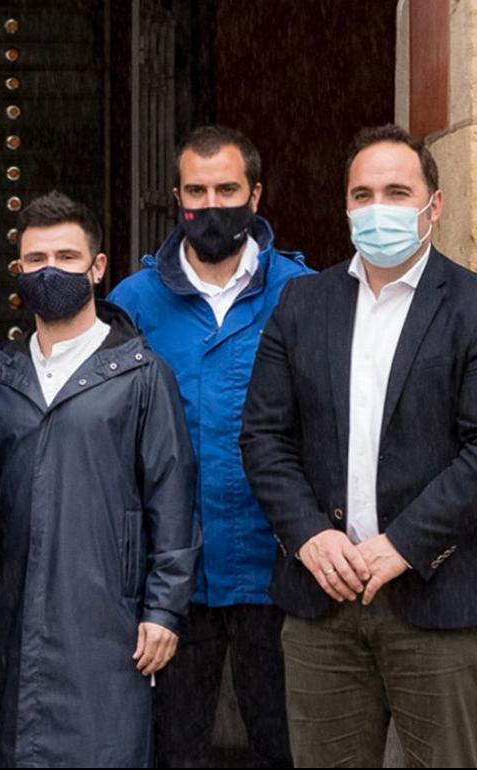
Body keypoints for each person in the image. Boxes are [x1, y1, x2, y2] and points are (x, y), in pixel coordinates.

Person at [241, 124, 477, 767]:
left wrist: (403, 545)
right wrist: (310, 536)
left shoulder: (469, 306)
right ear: (346, 207)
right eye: (363, 195)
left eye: (398, 193)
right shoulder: (301, 303)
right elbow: (264, 437)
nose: (379, 209)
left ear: (435, 205)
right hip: (322, 602)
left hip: (437, 599)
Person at [0, 190, 199, 767]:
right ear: (18, 269)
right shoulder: (0, 376)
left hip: (106, 624)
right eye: (36, 259)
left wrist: (164, 610)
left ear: (97, 266)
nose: (50, 271)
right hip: (11, 621)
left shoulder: (142, 375)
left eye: (66, 257)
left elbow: (173, 500)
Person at [108, 125, 309, 767]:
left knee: (288, 747)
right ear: (177, 197)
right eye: (196, 191)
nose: (211, 204)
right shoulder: (131, 303)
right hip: (173, 579)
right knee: (172, 749)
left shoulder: (304, 292)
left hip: (280, 569)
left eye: (227, 189)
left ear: (256, 194)